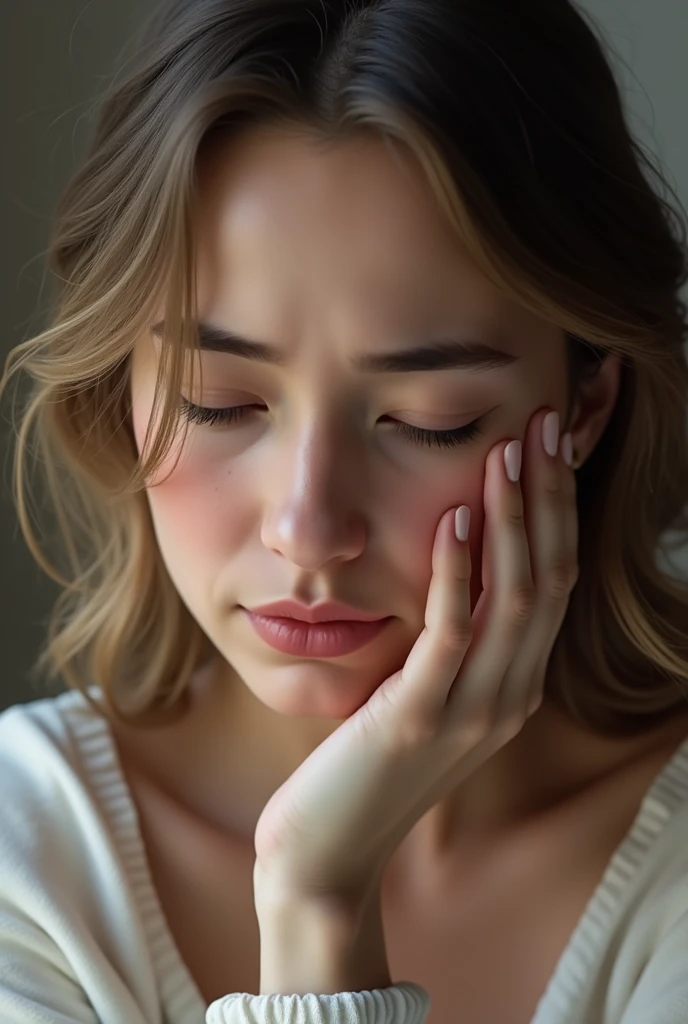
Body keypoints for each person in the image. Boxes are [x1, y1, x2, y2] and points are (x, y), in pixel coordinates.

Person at [2, 0, 688, 1021]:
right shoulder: (30, 861)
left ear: (585, 401)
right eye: (218, 402)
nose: (309, 526)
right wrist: (318, 898)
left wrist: (316, 895)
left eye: (429, 419)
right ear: (124, 389)